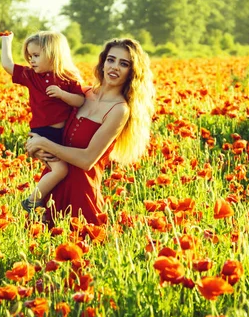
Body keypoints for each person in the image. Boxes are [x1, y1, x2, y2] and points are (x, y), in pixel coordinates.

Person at [25, 38, 155, 225]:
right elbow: (48, 126)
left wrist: (44, 144)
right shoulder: (82, 95)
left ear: (132, 72)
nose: (115, 67)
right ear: (103, 63)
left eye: (124, 63)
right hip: (50, 188)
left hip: (80, 196)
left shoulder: (119, 110)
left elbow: (87, 160)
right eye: (111, 60)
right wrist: (35, 147)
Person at [0, 31, 85, 213]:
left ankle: (49, 208)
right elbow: (7, 65)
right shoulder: (31, 76)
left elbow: (80, 101)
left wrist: (63, 95)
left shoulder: (68, 77)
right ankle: (32, 201)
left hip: (61, 136)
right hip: (41, 134)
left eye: (36, 56)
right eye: (30, 56)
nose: (32, 60)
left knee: (62, 172)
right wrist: (6, 41)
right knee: (60, 171)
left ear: (54, 54)